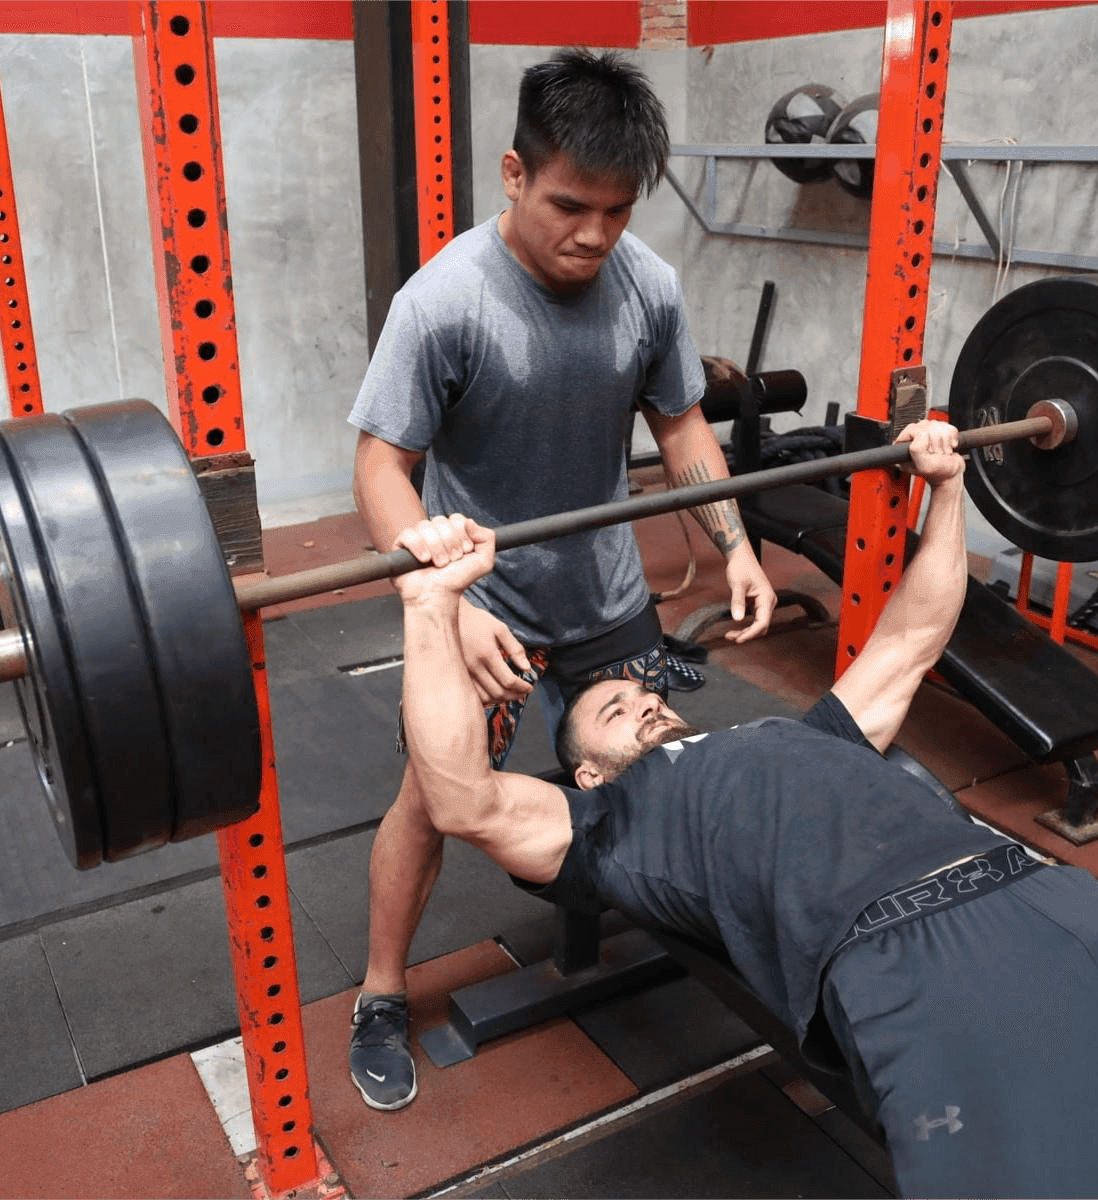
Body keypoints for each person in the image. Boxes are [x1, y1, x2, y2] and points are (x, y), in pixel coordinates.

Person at [390, 420, 1098, 1199]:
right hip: (918, 971)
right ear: (588, 773)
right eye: (611, 708)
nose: (643, 696)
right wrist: (432, 606)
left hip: (1071, 912)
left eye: (645, 687)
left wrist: (950, 486)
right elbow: (459, 795)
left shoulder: (805, 734)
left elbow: (915, 633)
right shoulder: (609, 823)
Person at [346, 47, 776, 1110]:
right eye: (568, 205)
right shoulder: (442, 303)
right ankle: (382, 991)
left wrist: (735, 545)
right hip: (484, 607)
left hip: (605, 598)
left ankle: (674, 933)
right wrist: (444, 603)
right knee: (433, 800)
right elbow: (380, 468)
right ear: (511, 173)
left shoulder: (649, 287)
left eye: (617, 211)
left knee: (643, 774)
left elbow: (679, 426)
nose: (592, 234)